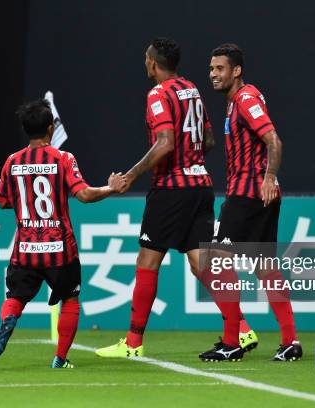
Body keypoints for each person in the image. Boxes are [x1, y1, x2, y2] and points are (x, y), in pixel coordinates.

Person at [95, 37, 257, 362]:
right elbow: (208, 138)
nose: (145, 64)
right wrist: (191, 158)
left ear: (153, 63)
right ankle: (240, 328)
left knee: (147, 260)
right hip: (200, 185)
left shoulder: (158, 94)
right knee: (202, 264)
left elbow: (166, 142)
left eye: (146, 59)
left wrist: (131, 175)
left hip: (171, 189)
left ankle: (133, 342)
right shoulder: (192, 90)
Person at [0, 98, 125, 368]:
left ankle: (8, 320)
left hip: (25, 249)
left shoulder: (12, 161)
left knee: (15, 298)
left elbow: (2, 201)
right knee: (70, 299)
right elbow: (84, 194)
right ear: (51, 128)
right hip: (59, 248)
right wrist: (111, 188)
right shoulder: (63, 158)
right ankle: (60, 358)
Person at [208, 43, 302, 361]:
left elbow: (274, 139)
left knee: (217, 259)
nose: (213, 74)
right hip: (257, 193)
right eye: (211, 69)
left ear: (236, 71)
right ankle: (290, 341)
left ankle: (233, 340)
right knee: (265, 268)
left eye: (220, 68)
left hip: (248, 193)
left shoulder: (245, 100)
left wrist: (269, 178)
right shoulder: (237, 101)